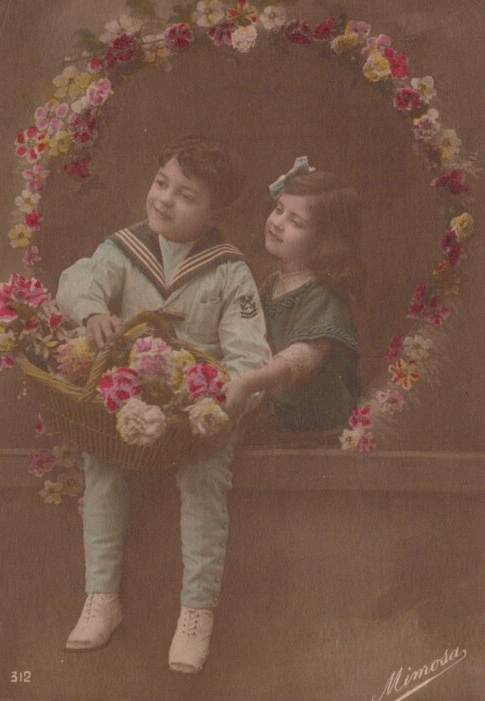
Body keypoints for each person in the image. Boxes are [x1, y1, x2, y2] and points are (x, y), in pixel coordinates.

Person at [56, 135, 271, 673]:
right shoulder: (123, 250)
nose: (165, 200)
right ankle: (101, 596)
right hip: (127, 402)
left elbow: (248, 353)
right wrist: (91, 312)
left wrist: (225, 403)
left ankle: (196, 611)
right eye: (161, 184)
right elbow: (77, 280)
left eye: (186, 195)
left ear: (214, 214)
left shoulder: (230, 271)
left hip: (197, 407)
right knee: (101, 462)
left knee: (205, 476)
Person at [223, 157, 361, 433]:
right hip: (275, 411)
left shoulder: (324, 294)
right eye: (279, 209)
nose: (277, 223)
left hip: (314, 424)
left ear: (324, 240)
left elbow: (303, 357)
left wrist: (249, 383)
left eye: (295, 222)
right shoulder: (272, 284)